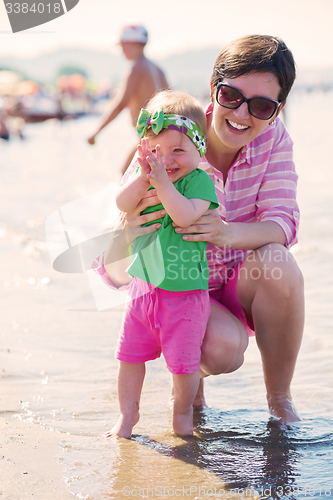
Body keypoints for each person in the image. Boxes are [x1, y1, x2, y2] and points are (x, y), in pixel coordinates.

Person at [93, 34, 304, 425]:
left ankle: (280, 400)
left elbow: (282, 223)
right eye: (231, 96)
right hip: (176, 286)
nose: (242, 113)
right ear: (213, 89)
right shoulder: (173, 135)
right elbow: (115, 250)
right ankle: (190, 392)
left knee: (280, 263)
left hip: (235, 281)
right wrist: (127, 227)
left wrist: (225, 233)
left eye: (261, 105)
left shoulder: (274, 141)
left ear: (276, 111)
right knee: (222, 350)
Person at [109, 90, 219, 438]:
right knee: (129, 356)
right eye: (158, 150)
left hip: (185, 295)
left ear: (199, 150)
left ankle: (182, 415)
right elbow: (123, 203)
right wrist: (144, 177)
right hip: (143, 290)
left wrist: (161, 182)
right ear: (144, 148)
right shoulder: (145, 176)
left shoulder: (199, 181)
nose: (167, 160)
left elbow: (185, 216)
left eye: (178, 151)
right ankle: (128, 416)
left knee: (184, 366)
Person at [87, 24, 169, 174]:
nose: (121, 51)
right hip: (161, 136)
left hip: (147, 138)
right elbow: (172, 102)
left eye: (122, 46)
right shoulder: (158, 69)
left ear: (131, 43)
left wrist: (96, 132)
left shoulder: (136, 68)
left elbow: (120, 103)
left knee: (125, 176)